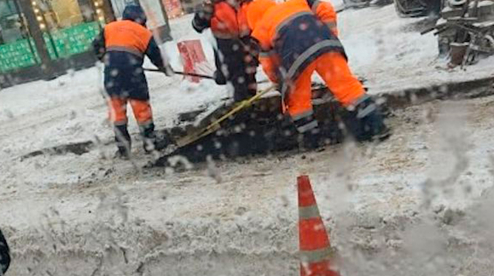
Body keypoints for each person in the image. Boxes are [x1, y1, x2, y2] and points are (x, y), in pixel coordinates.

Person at [244, 0, 389, 142]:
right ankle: (376, 125)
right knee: (347, 87)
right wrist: (329, 37)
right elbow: (326, 8)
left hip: (296, 57)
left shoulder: (259, 32)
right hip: (326, 44)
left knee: (298, 100)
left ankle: (312, 138)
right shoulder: (295, 2)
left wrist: (280, 83)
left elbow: (269, 65)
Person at [92, 5, 173, 158]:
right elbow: (156, 56)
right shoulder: (144, 33)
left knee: (117, 114)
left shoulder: (110, 27)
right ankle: (150, 144)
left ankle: (124, 149)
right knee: (142, 112)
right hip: (133, 77)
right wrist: (165, 68)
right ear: (141, 20)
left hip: (112, 77)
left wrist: (107, 60)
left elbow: (96, 46)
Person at [192, 0, 258, 102]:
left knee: (249, 80)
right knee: (237, 82)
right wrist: (204, 13)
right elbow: (198, 26)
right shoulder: (214, 5)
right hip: (228, 48)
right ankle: (243, 108)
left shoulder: (245, 4)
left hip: (246, 43)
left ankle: (249, 105)